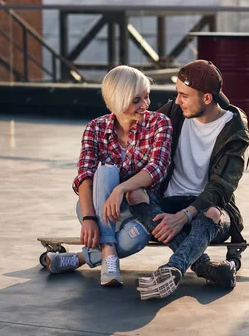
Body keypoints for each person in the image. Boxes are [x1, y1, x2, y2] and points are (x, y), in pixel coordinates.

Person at [127, 60, 249, 300]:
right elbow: (133, 127)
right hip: (165, 207)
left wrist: (185, 215)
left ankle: (173, 268)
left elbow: (221, 188)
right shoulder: (174, 113)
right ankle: (205, 267)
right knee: (135, 194)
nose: (178, 100)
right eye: (177, 94)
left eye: (184, 95)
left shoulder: (234, 133)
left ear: (206, 98)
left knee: (213, 213)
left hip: (207, 212)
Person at [45, 65, 172, 287]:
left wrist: (120, 189)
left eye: (147, 97)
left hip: (140, 210)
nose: (145, 105)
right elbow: (84, 175)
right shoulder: (95, 128)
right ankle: (109, 254)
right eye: (136, 100)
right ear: (117, 100)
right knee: (104, 171)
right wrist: (88, 219)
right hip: (99, 209)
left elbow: (157, 169)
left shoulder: (159, 124)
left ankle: (81, 258)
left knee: (139, 237)